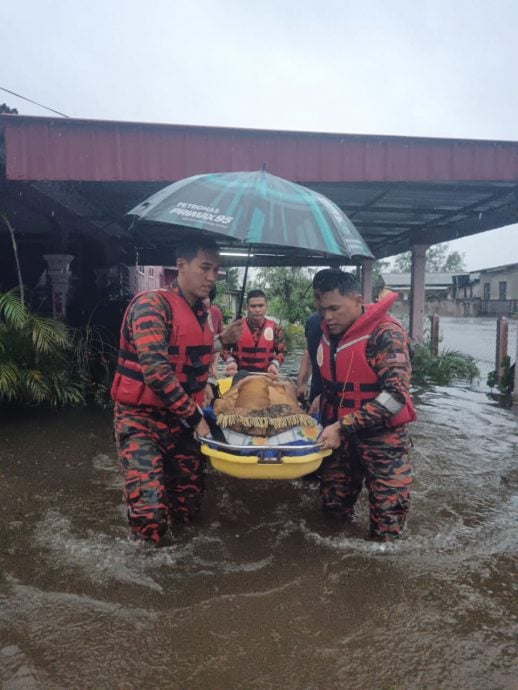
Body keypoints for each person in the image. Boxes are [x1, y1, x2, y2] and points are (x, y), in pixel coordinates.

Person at [111, 239, 243, 545]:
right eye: (205, 268)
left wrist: (223, 342)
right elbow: (156, 370)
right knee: (150, 517)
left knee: (188, 508)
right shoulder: (151, 306)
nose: (212, 277)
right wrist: (195, 416)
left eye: (217, 269)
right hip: (142, 420)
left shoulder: (203, 313)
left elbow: (189, 353)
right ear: (181, 266)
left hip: (182, 423)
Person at [316, 269, 416, 541]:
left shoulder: (386, 334)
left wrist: (343, 424)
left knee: (387, 528)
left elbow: (395, 397)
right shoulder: (331, 332)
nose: (327, 317)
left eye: (334, 308)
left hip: (382, 441)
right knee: (331, 515)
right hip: (341, 441)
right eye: (322, 309)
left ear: (358, 300)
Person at [223, 289, 287, 376]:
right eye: (253, 306)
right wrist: (231, 361)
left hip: (266, 376)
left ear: (266, 306)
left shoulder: (275, 328)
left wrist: (274, 364)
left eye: (261, 306)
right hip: (239, 375)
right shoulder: (236, 327)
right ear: (247, 307)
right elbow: (223, 348)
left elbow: (282, 352)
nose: (257, 310)